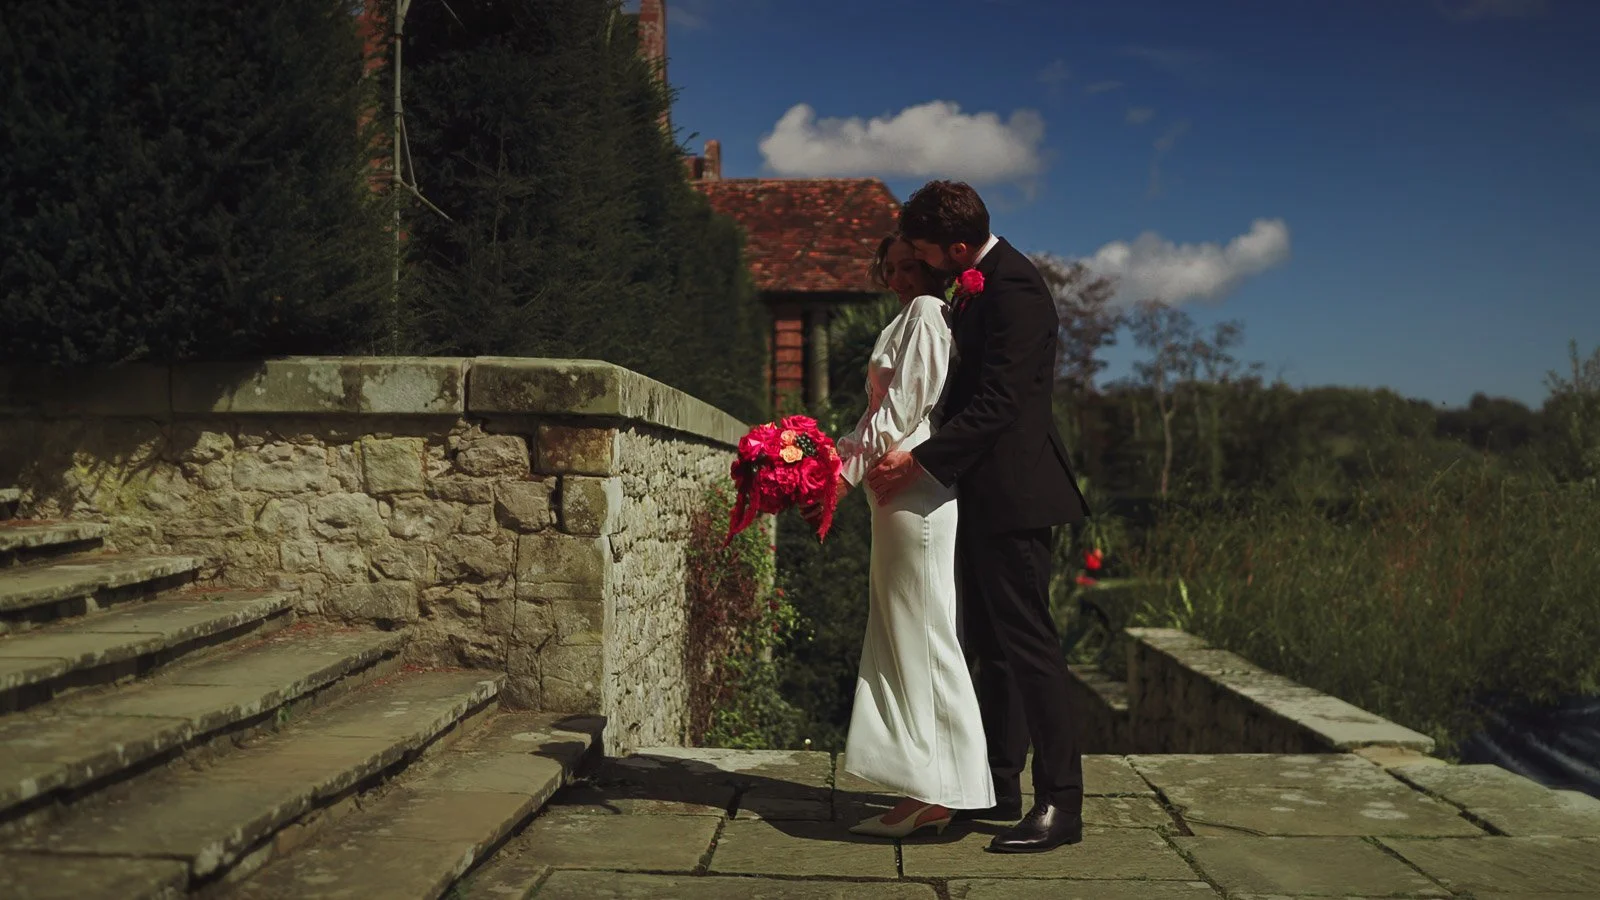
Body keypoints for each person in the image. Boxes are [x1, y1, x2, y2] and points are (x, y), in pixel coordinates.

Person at [867, 180, 1090, 854]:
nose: (923, 262)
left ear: (957, 246)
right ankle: (999, 783)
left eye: (927, 251)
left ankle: (1062, 805)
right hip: (976, 491)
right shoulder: (976, 282)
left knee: (1030, 650)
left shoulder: (1015, 289)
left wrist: (919, 461)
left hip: (1016, 495)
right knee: (991, 649)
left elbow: (999, 402)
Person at [825, 234, 996, 839]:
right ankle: (928, 780)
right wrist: (830, 461)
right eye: (889, 268)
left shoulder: (927, 314)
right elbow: (878, 413)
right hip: (890, 486)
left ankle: (947, 789)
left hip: (913, 487)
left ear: (931, 266)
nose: (898, 277)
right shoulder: (905, 316)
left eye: (908, 266)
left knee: (925, 632)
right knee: (904, 631)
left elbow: (902, 408)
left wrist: (842, 476)